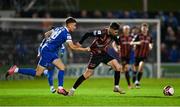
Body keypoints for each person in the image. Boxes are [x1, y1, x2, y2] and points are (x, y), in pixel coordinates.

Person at [6, 17, 90, 96]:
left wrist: (49, 43)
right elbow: (72, 47)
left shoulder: (58, 28)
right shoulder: (66, 34)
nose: (75, 27)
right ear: (69, 24)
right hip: (48, 52)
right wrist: (85, 49)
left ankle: (60, 88)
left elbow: (46, 34)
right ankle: (16, 70)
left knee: (62, 67)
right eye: (74, 25)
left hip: (49, 50)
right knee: (38, 73)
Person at [68, 22, 125, 96]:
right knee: (88, 74)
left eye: (117, 32)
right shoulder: (101, 32)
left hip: (104, 54)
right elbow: (88, 34)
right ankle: (72, 90)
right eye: (115, 31)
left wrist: (118, 45)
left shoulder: (113, 35)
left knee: (118, 67)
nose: (116, 33)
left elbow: (117, 40)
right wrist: (80, 43)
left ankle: (116, 87)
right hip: (95, 55)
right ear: (110, 29)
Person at [132, 23, 153, 88]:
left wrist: (150, 46)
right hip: (137, 55)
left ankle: (137, 82)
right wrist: (137, 43)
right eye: (143, 28)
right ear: (141, 29)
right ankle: (134, 76)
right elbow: (132, 42)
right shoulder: (138, 36)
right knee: (135, 69)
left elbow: (151, 44)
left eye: (145, 28)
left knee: (141, 67)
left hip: (144, 55)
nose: (144, 29)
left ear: (147, 29)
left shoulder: (149, 37)